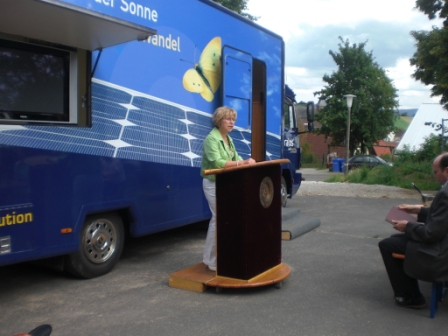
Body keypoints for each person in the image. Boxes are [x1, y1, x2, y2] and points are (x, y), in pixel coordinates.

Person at [378, 152, 448, 308]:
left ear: (447, 170)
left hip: (441, 253)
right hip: (443, 244)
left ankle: (411, 297)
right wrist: (418, 210)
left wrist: (407, 226)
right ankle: (408, 290)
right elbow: (442, 217)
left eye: (436, 172)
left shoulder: (445, 193)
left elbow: (431, 233)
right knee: (394, 239)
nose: (434, 175)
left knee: (387, 245)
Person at [200, 106, 256, 271]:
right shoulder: (211, 139)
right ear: (219, 121)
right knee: (218, 219)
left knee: (224, 220)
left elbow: (236, 157)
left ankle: (221, 256)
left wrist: (247, 162)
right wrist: (241, 163)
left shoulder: (228, 139)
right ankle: (210, 260)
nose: (232, 122)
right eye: (228, 119)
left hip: (226, 183)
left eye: (233, 119)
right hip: (213, 184)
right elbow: (217, 162)